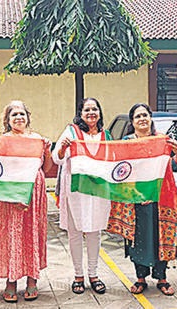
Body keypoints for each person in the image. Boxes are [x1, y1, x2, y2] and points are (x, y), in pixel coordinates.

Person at [108, 103, 177, 296]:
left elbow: (172, 167)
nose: (142, 119)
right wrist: (139, 195)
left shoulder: (162, 141)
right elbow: (123, 171)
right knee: (138, 238)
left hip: (160, 198)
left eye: (145, 115)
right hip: (136, 199)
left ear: (150, 118)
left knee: (160, 236)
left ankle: (162, 278)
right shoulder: (127, 142)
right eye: (138, 116)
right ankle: (140, 278)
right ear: (132, 122)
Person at [0, 100, 54, 303]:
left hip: (34, 194)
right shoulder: (2, 141)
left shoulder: (37, 139)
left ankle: (32, 279)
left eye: (22, 114)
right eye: (14, 114)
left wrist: (47, 150)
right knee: (11, 235)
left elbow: (46, 168)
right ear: (8, 120)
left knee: (32, 233)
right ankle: (11, 281)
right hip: (9, 194)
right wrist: (13, 195)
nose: (19, 117)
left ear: (28, 117)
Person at [52, 97, 111, 295]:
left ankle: (93, 275)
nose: (91, 113)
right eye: (87, 110)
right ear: (81, 113)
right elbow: (56, 158)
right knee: (75, 233)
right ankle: (78, 275)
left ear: (100, 113)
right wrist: (62, 148)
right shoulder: (71, 132)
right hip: (75, 191)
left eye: (95, 109)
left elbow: (114, 160)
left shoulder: (106, 135)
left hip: (98, 191)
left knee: (95, 232)